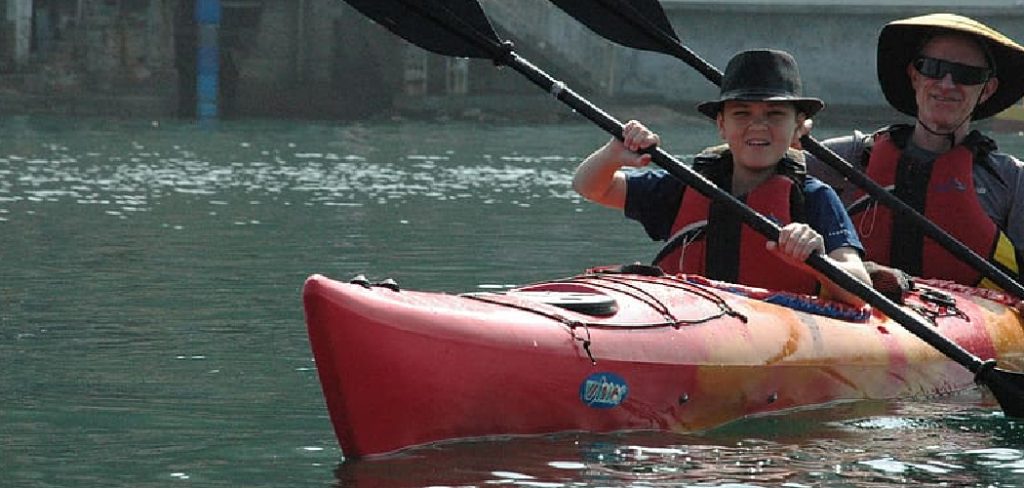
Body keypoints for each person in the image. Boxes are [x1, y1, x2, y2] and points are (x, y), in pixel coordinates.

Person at [573, 49, 871, 306]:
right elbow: (589, 187)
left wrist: (818, 259)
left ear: (797, 129)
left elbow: (860, 288)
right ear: (721, 125)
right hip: (688, 330)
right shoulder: (687, 186)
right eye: (742, 114)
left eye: (775, 115)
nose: (758, 126)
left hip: (780, 339)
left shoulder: (815, 197)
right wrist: (614, 153)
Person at [806, 13, 1024, 288]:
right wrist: (783, 131)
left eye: (966, 75)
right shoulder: (845, 159)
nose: (946, 84)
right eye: (932, 67)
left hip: (964, 324)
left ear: (987, 90)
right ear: (914, 76)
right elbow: (761, 165)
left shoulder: (1013, 181)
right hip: (862, 324)